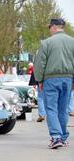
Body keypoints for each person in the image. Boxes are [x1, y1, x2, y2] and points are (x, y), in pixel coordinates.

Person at [34, 18, 74, 149]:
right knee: (63, 109)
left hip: (51, 79)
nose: (49, 29)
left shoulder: (46, 43)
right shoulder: (72, 42)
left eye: (49, 27)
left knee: (51, 108)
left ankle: (56, 137)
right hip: (68, 78)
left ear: (55, 27)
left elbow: (40, 63)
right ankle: (63, 137)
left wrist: (39, 79)